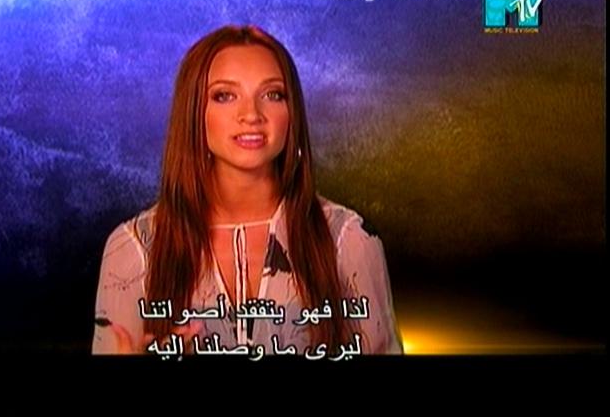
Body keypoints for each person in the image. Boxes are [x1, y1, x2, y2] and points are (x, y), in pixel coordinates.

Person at [92, 25, 403, 356]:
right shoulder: (134, 249)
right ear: (193, 112)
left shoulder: (348, 239)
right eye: (224, 96)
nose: (251, 115)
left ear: (292, 112)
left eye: (273, 94)